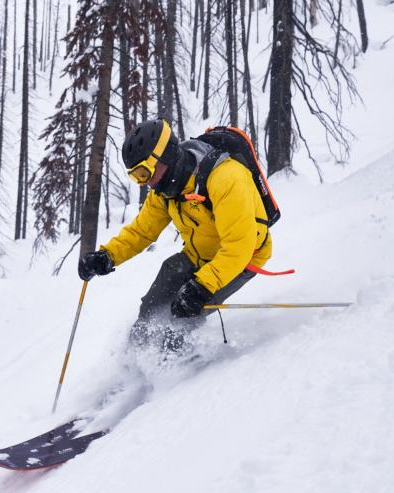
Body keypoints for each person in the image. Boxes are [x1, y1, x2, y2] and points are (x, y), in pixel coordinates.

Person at [78, 118, 274, 353]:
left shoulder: (226, 179)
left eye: (144, 172)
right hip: (198, 255)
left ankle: (172, 375)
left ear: (166, 156)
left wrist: (201, 287)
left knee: (182, 315)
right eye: (137, 177)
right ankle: (131, 362)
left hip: (243, 258)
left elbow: (238, 248)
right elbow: (142, 231)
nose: (146, 183)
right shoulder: (165, 190)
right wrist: (107, 256)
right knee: (151, 306)